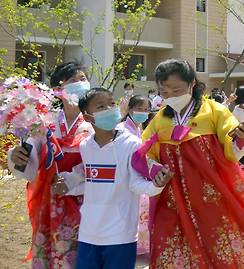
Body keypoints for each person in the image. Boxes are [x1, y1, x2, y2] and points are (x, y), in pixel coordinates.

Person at [140, 59, 244, 268]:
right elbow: (145, 153)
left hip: (215, 196)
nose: (171, 97)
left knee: (223, 246)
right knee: (171, 251)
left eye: (176, 90)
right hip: (173, 200)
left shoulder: (214, 110)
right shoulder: (160, 119)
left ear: (192, 84)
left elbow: (231, 145)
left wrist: (240, 137)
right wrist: (155, 170)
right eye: (164, 93)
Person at [60, 88, 171, 269]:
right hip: (89, 233)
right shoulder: (86, 146)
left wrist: (156, 186)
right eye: (101, 106)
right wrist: (68, 186)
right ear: (88, 117)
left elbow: (135, 183)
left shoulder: (131, 144)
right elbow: (92, 184)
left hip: (120, 236)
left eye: (111, 103)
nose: (110, 109)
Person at [8, 61, 94, 268]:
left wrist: (73, 179)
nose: (80, 84)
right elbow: (29, 167)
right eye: (73, 81)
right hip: (51, 199)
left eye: (83, 79)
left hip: (86, 199)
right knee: (50, 253)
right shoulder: (46, 123)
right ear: (58, 90)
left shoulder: (95, 121)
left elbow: (106, 159)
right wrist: (16, 156)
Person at [119, 95, 152, 256]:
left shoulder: (138, 128)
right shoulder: (124, 129)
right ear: (130, 109)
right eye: (139, 109)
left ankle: (140, 246)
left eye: (146, 110)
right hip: (127, 176)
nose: (143, 113)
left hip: (138, 176)